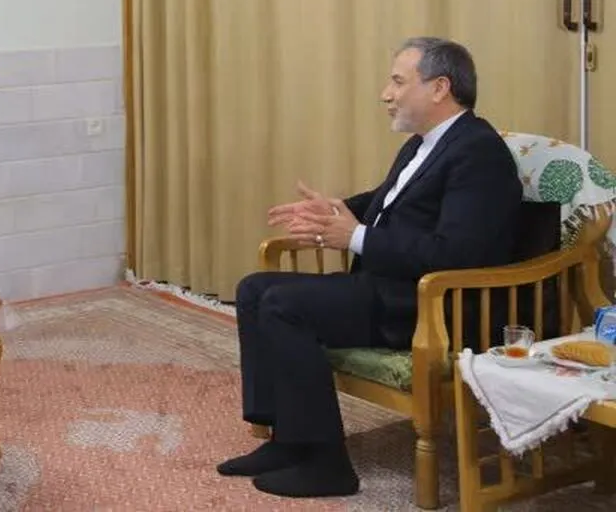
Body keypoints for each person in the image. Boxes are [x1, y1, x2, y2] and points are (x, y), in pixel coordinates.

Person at [218, 36, 522, 499]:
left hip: (430, 306)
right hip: (389, 288)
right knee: (254, 289)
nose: (386, 94)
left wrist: (355, 236)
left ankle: (327, 465)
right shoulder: (424, 144)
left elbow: (456, 253)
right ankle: (286, 439)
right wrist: (335, 211)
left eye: (398, 82)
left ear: (440, 87)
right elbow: (390, 202)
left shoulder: (479, 152)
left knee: (284, 304)